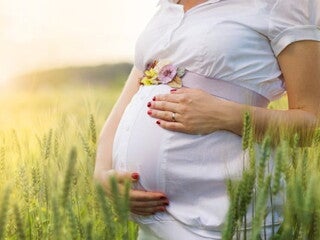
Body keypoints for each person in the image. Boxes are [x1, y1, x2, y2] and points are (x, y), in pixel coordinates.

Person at [94, 0, 320, 239]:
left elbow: (313, 123)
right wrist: (100, 171)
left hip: (219, 221)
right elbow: (128, 100)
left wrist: (223, 114)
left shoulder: (284, 4)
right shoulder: (169, 6)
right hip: (152, 221)